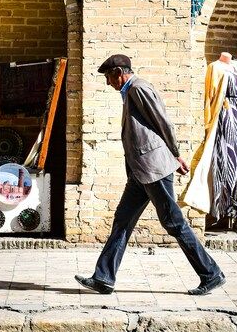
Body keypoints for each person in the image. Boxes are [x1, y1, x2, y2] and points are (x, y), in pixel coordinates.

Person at [75, 54, 226, 296]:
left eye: (108, 77)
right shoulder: (130, 90)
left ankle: (211, 273)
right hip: (140, 170)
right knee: (122, 220)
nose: (107, 83)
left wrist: (175, 154)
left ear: (119, 73)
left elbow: (162, 122)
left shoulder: (138, 88)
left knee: (173, 222)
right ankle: (103, 278)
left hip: (153, 168)